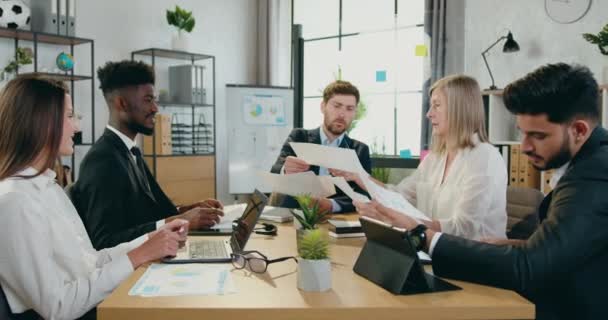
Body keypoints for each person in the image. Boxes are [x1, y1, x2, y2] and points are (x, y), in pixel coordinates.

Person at [367, 63, 608, 320]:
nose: (524, 147)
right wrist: (519, 244)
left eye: (537, 136)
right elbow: (575, 244)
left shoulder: (594, 174)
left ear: (579, 130)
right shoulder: (587, 163)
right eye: (522, 133)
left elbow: (528, 267)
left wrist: (420, 235)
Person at [0, 75, 188, 320]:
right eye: (69, 116)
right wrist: (139, 255)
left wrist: (148, 241)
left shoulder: (47, 188)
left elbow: (90, 262)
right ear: (41, 122)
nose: (77, 127)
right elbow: (57, 307)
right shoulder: (16, 201)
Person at [70, 60, 223, 250]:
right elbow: (104, 241)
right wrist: (182, 221)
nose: (155, 108)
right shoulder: (102, 160)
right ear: (121, 103)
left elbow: (152, 212)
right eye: (148, 100)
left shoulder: (129, 151)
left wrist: (188, 211)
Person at [338, 75, 507, 240]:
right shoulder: (435, 158)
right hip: (434, 252)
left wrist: (402, 222)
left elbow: (463, 229)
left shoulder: (485, 157)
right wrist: (360, 177)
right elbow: (400, 195)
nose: (429, 114)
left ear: (459, 109)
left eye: (437, 105)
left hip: (474, 260)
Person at [270, 80, 371, 213]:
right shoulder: (299, 136)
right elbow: (275, 171)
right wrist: (285, 170)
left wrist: (331, 204)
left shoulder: (359, 150)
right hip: (294, 214)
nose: (342, 114)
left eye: (349, 108)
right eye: (337, 106)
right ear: (323, 107)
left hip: (336, 220)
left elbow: (364, 195)